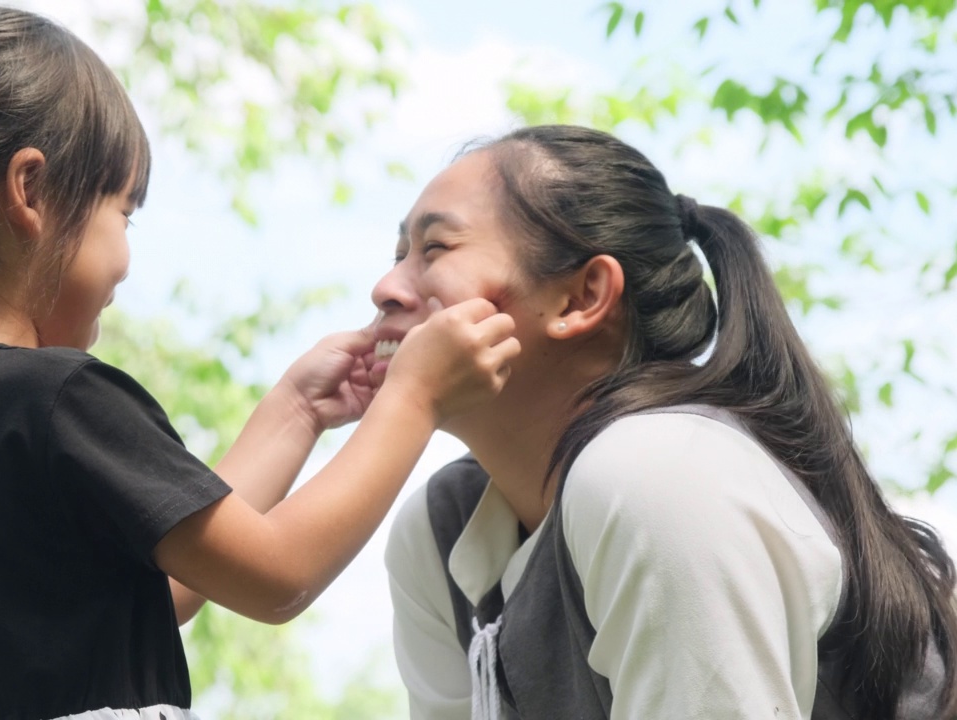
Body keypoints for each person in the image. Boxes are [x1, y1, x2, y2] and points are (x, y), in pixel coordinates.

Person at [0, 6, 521, 719]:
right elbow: (279, 575)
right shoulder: (54, 398)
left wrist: (297, 411)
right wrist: (413, 398)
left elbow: (164, 590)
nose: (125, 258)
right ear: (31, 192)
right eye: (123, 212)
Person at [379, 125, 954, 720]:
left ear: (582, 297)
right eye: (398, 255)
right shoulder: (441, 530)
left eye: (435, 249)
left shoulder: (657, 473)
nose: (386, 288)